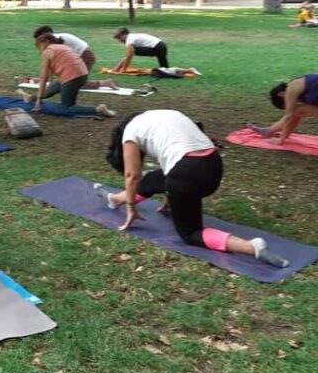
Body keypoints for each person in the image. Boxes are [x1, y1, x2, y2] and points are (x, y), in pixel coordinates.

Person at [99, 110, 289, 267]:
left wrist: (132, 208)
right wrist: (171, 194)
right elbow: (182, 150)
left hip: (187, 176)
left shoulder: (130, 134)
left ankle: (251, 247)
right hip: (213, 166)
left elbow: (132, 175)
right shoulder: (165, 114)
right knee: (155, 178)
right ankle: (116, 199)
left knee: (190, 234)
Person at [21, 33, 116, 117]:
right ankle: (30, 97)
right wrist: (39, 96)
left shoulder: (47, 51)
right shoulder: (63, 47)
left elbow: (44, 77)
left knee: (66, 108)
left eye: (39, 46)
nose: (39, 50)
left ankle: (98, 109)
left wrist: (39, 100)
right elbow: (49, 75)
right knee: (53, 87)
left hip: (71, 77)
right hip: (82, 75)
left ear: (46, 41)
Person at [31, 26, 117, 90]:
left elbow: (51, 64)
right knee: (72, 81)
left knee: (75, 83)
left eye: (39, 40)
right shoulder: (55, 39)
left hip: (85, 56)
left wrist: (44, 80)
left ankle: (105, 83)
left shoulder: (55, 42)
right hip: (83, 55)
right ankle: (105, 83)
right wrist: (43, 80)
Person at [248, 75, 318, 144]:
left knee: (296, 111)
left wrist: (281, 140)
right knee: (297, 111)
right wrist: (285, 135)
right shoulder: (300, 85)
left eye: (286, 103)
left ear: (281, 94)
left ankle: (269, 131)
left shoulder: (291, 88)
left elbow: (289, 116)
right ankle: (269, 131)